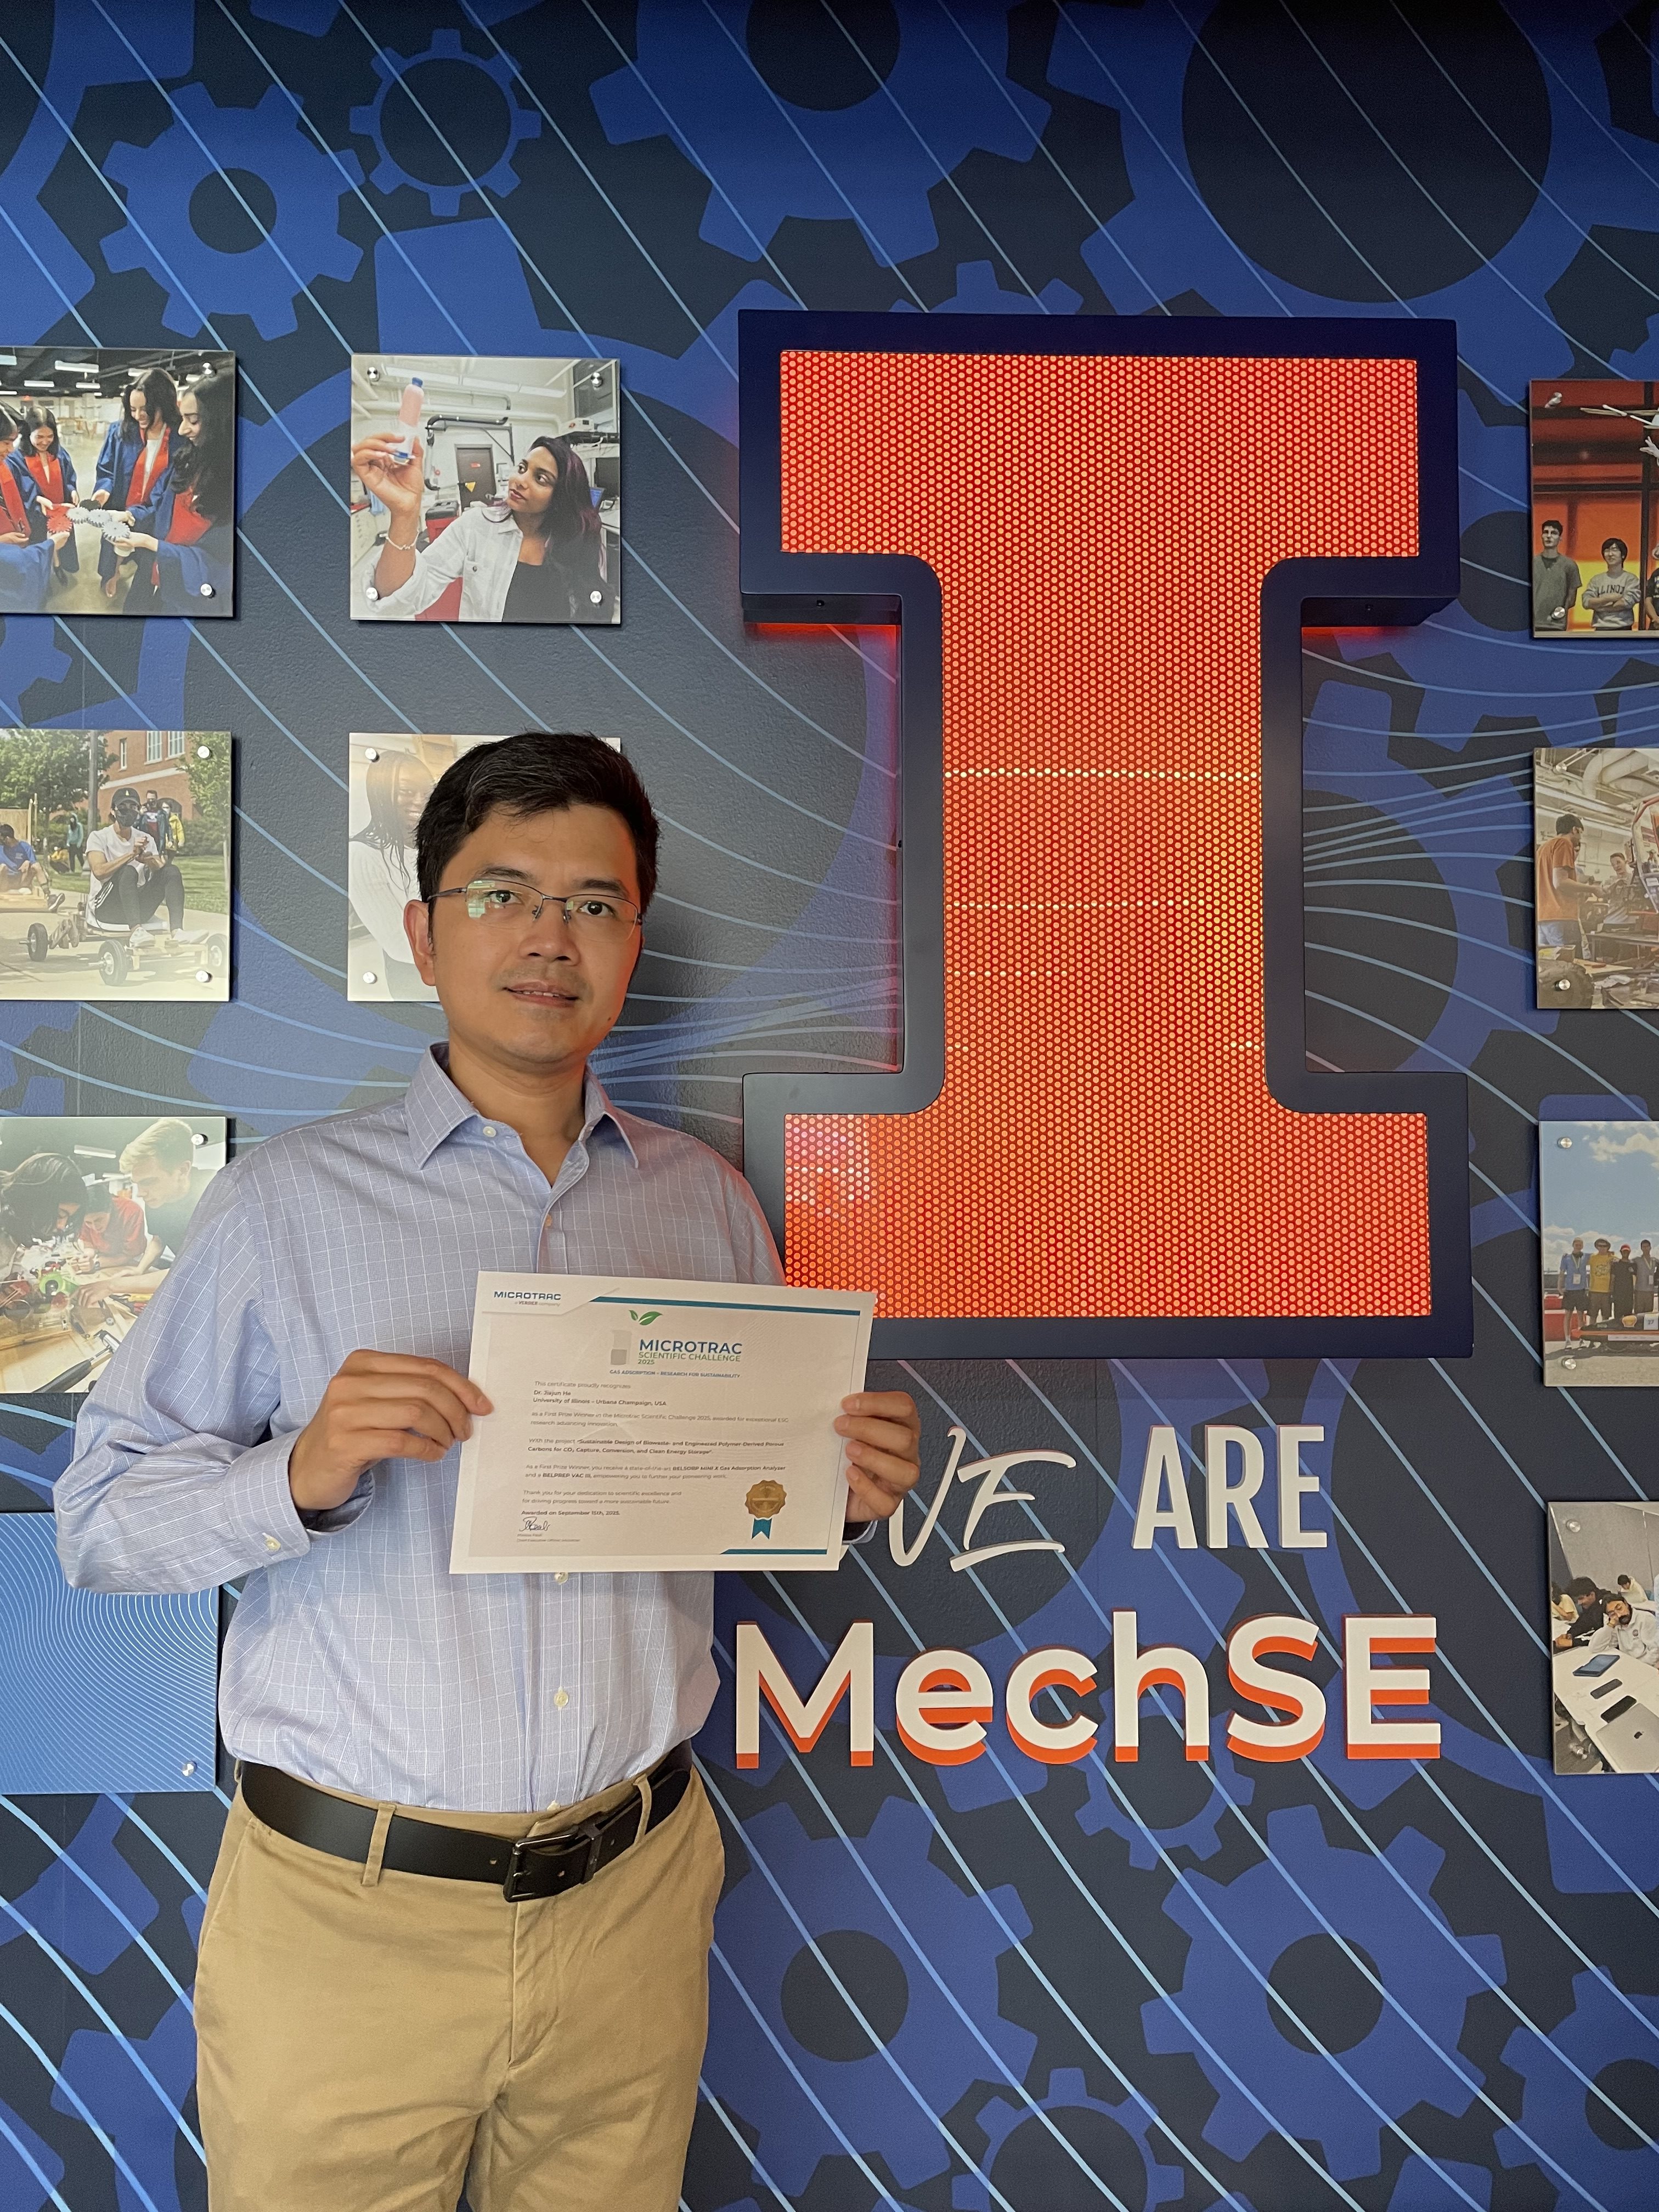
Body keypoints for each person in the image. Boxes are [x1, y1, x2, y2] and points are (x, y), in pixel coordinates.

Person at [57, 732, 922, 2211]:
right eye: (501, 893)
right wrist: (299, 1474)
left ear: (635, 941)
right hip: (348, 1919)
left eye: (596, 903)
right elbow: (96, 1528)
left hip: (634, 1899)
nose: (549, 936)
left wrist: (828, 1493)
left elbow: (729, 1508)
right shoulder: (286, 1207)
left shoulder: (705, 1208)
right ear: (422, 930)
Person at [351, 429, 616, 623]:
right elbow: (398, 599)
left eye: (541, 478)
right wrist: (404, 514)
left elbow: (592, 603)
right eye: (522, 468)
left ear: (562, 497)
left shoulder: (577, 539)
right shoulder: (475, 527)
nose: (520, 480)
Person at [115, 368, 233, 612]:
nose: (182, 430)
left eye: (194, 420)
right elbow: (158, 502)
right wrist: (130, 515)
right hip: (157, 572)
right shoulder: (187, 461)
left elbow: (220, 566)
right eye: (182, 419)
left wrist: (154, 545)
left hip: (192, 596)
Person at [348, 749, 436, 997]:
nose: (421, 801)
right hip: (418, 981)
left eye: (427, 791)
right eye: (407, 792)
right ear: (381, 795)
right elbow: (399, 945)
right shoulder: (363, 854)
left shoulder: (434, 846)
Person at [84, 786, 201, 951]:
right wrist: (131, 855)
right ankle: (136, 931)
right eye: (123, 807)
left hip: (137, 907)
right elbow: (99, 871)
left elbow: (158, 871)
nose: (128, 811)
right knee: (128, 871)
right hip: (107, 908)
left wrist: (148, 860)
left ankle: (178, 931)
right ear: (113, 811)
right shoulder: (98, 837)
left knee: (171, 871)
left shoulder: (145, 839)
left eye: (133, 807)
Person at [95, 370, 178, 602]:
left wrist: (137, 514)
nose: (138, 416)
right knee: (112, 546)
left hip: (155, 512)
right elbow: (107, 468)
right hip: (121, 504)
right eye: (133, 409)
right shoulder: (122, 431)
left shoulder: (178, 439)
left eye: (145, 409)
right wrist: (104, 489)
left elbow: (168, 489)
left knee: (146, 557)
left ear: (163, 404)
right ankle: (110, 574)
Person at [118, 1118, 216, 1272]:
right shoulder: (156, 1199)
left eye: (149, 1182)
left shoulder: (216, 1190)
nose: (141, 1193)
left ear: (183, 1170)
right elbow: (159, 1239)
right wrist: (139, 1270)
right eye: (137, 1183)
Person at [0, 404, 64, 614]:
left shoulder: (3, 464)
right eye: (5, 442)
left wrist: (39, 499)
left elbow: (19, 492)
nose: (10, 449)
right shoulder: (16, 459)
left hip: (22, 532)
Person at [21, 405, 78, 583]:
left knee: (61, 539)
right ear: (28, 433)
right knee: (41, 543)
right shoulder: (19, 458)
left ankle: (59, 566)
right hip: (37, 511)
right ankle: (45, 573)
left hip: (60, 509)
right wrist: (37, 500)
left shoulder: (59, 453)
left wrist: (72, 490)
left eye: (50, 437)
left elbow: (68, 477)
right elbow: (20, 487)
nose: (45, 442)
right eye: (39, 437)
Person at [1537, 812, 1585, 960]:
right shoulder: (1564, 843)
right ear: (1575, 830)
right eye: (1581, 832)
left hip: (1543, 917)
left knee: (1549, 965)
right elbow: (1561, 883)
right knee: (1572, 965)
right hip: (1561, 916)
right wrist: (1593, 889)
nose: (1580, 837)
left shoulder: (1543, 849)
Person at [76, 1177, 148, 1267]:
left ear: (110, 1209)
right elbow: (88, 1244)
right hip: (102, 1257)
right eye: (89, 1223)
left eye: (99, 1220)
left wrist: (97, 1264)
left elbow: (131, 1254)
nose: (94, 1227)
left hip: (131, 1259)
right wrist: (86, 1258)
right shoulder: (82, 1213)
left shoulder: (131, 1211)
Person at [1583, 537, 1642, 630]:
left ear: (1623, 555)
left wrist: (1598, 606)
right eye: (1607, 551)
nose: (1610, 554)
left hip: (1623, 629)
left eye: (1614, 550)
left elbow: (1626, 603)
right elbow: (1587, 602)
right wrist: (1610, 599)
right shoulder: (1596, 580)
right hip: (1600, 629)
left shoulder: (1631, 579)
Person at [1533, 517, 1581, 630]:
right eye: (1546, 533)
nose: (1549, 536)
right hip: (1532, 625)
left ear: (1560, 538)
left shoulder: (1569, 565)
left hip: (1557, 625)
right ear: (1541, 536)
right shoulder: (1532, 563)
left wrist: (1556, 615)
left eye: (1554, 533)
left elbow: (1571, 599)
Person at [1587, 1593, 1659, 1667]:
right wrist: (1610, 1626)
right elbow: (1595, 1648)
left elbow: (1655, 1652)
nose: (1619, 1615)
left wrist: (1635, 1666)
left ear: (1626, 1603)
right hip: (1627, 1664)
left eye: (1619, 1608)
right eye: (1612, 1614)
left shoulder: (1645, 1619)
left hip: (1646, 1666)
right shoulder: (1617, 1624)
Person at [0, 825, 63, 907]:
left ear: (7, 839)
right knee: (3, 867)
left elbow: (35, 864)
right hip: (5, 883)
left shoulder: (25, 847)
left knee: (36, 865)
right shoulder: (1, 848)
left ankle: (49, 897)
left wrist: (28, 862)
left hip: (21, 881)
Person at [1560, 1237, 1590, 1330]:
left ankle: (1582, 1338)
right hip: (1569, 1290)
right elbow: (1561, 1273)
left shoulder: (1586, 1256)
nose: (1578, 1246)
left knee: (1581, 1316)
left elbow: (1600, 1255)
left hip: (1581, 1290)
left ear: (1583, 1246)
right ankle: (1568, 1340)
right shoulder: (1566, 1258)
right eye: (1576, 1245)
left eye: (1580, 1245)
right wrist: (1559, 1287)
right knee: (1568, 1316)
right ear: (1573, 1245)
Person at [1589, 1236, 1615, 1324]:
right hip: (1594, 1291)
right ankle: (1591, 1335)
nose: (1602, 1248)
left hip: (1607, 1292)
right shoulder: (1592, 1257)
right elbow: (1578, 1258)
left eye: (1605, 1246)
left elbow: (1623, 1261)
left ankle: (1604, 1334)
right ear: (1597, 1247)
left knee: (1606, 1316)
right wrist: (1567, 1255)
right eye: (1600, 1246)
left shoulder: (1612, 1258)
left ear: (1608, 1247)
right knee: (1593, 1315)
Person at [1612, 1242, 1637, 1323]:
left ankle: (1627, 1334)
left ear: (1629, 1252)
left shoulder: (1633, 1264)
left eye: (1627, 1251)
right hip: (1618, 1294)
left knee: (1628, 1317)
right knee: (1617, 1317)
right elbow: (1613, 1278)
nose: (1625, 1253)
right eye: (1624, 1251)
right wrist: (1611, 1291)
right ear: (1621, 1252)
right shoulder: (1616, 1264)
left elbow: (1637, 1278)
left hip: (1629, 1295)